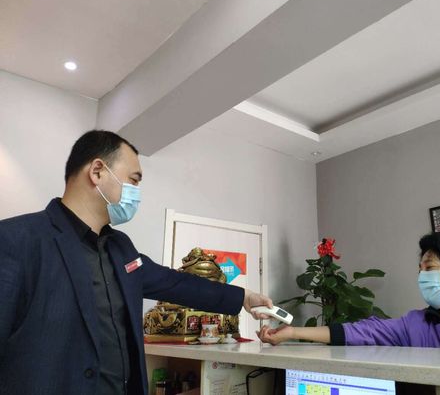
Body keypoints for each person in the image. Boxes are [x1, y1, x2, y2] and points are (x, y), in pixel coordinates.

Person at [0, 130, 273, 395]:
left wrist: (243, 297)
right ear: (97, 172)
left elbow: (175, 283)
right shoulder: (15, 240)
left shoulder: (121, 248)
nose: (137, 192)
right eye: (134, 180)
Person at [257, 224, 440, 352]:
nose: (422, 276)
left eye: (430, 268)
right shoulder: (415, 324)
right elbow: (359, 332)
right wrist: (292, 333)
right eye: (420, 269)